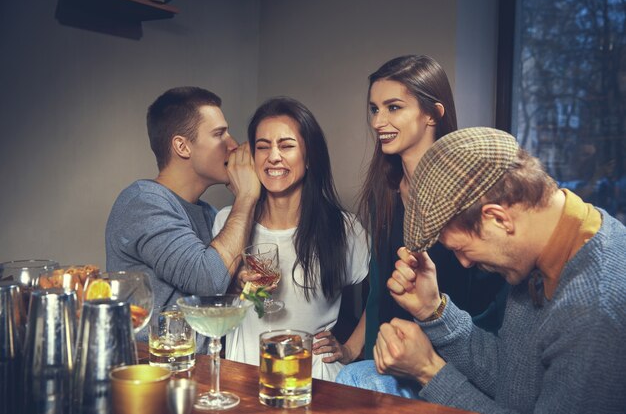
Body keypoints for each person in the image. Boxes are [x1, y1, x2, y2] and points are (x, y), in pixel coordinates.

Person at [341, 127, 626, 413]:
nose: (464, 263)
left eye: (460, 249)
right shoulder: (545, 243)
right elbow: (515, 380)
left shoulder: (593, 308)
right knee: (356, 378)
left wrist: (428, 370)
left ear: (498, 219)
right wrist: (433, 310)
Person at [335, 55, 506, 366]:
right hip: (390, 361)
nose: (377, 122)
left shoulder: (472, 195)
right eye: (374, 109)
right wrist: (350, 350)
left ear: (432, 114)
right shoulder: (383, 194)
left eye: (393, 107)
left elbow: (495, 306)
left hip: (457, 366)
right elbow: (378, 293)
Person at [211, 97, 369, 381]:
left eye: (286, 146)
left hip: (315, 382)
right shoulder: (228, 222)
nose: (273, 157)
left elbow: (384, 293)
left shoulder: (344, 228)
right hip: (243, 377)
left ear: (309, 157)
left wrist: (351, 349)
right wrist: (234, 286)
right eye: (262, 147)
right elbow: (210, 308)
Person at [105, 87, 261, 314]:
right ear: (182, 146)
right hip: (154, 350)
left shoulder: (209, 214)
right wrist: (246, 196)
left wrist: (236, 283)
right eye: (219, 134)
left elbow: (214, 296)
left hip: (202, 351)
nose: (233, 145)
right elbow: (207, 280)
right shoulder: (142, 202)